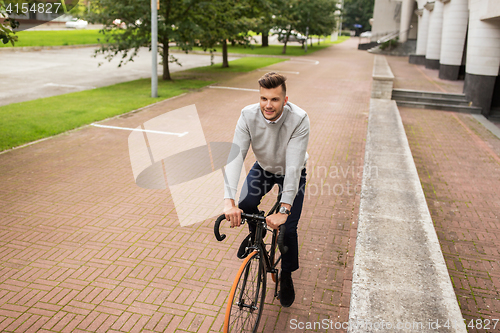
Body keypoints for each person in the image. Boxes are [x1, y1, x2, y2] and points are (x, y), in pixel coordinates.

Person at [223, 72, 309, 308]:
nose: (268, 105)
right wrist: (228, 201)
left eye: (274, 99)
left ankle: (287, 276)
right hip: (263, 167)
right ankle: (256, 238)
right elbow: (235, 159)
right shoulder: (247, 115)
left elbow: (292, 169)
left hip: (293, 171)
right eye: (263, 98)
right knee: (246, 205)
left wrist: (284, 209)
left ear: (285, 99)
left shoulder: (299, 119)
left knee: (288, 229)